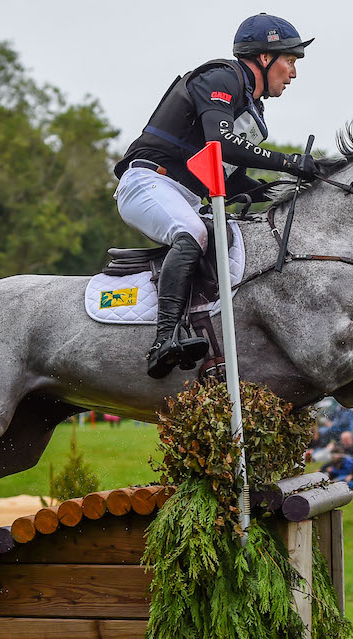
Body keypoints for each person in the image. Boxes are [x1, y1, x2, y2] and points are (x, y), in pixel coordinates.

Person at [115, 14, 322, 378]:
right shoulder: (221, 77)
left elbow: (229, 175)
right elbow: (221, 142)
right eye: (289, 61)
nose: (293, 74)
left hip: (183, 193)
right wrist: (288, 163)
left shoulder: (250, 106)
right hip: (148, 183)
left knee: (225, 236)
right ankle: (164, 339)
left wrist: (279, 189)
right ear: (263, 58)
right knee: (193, 233)